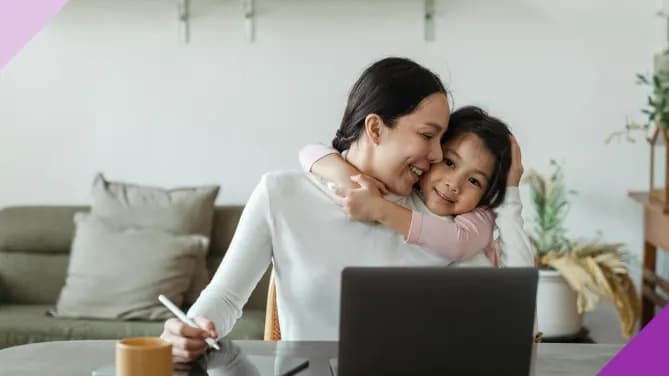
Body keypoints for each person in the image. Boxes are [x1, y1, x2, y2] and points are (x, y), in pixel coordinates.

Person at [161, 57, 534, 363]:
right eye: (426, 135)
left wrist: (512, 192)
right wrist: (191, 327)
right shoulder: (282, 195)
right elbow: (226, 298)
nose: (437, 156)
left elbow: (515, 316)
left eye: (441, 140)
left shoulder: (440, 219)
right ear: (375, 128)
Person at [298, 106, 520, 266]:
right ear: (433, 153)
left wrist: (379, 209)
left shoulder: (480, 217)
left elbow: (458, 243)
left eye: (474, 181)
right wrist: (350, 178)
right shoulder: (407, 187)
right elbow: (310, 151)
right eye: (449, 162)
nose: (454, 184)